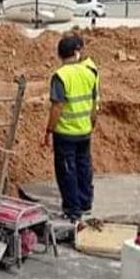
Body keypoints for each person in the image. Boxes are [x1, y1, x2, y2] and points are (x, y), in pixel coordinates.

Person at [42, 35, 99, 223]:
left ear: (59, 54)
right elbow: (94, 103)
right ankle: (85, 203)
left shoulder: (61, 76)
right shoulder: (89, 73)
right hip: (84, 131)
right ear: (76, 52)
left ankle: (73, 210)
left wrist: (49, 130)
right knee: (84, 168)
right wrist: (91, 124)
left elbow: (57, 106)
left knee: (67, 171)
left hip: (66, 133)